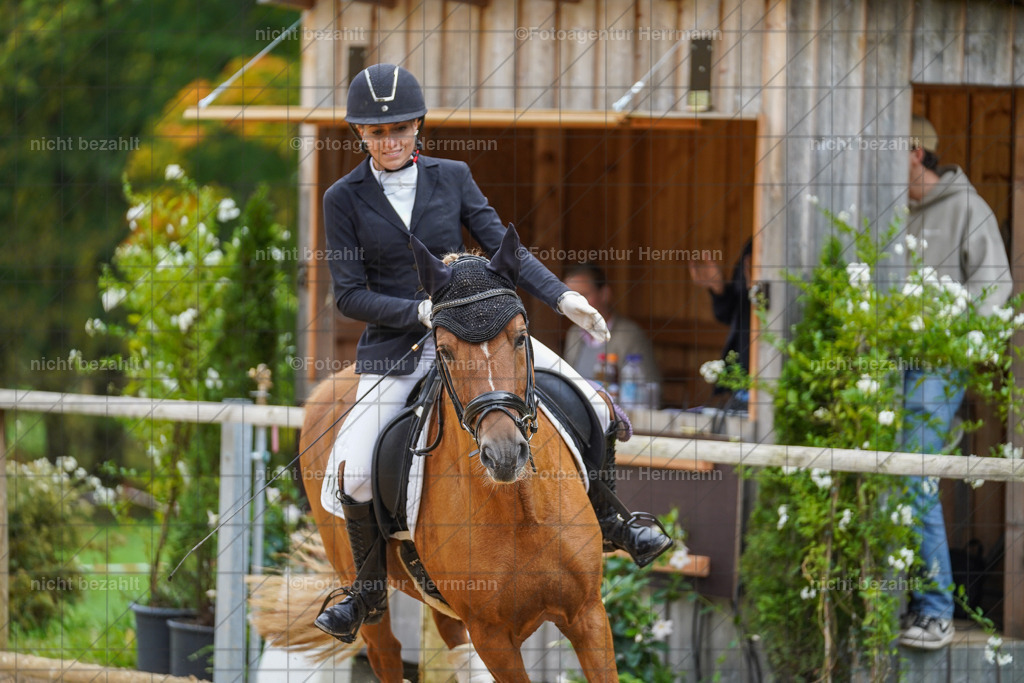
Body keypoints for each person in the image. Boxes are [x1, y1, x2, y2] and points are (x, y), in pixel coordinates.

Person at [313, 63, 672, 642]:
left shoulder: (452, 176)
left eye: (400, 128)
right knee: (353, 467)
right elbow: (350, 295)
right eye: (377, 133)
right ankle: (367, 590)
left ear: (418, 126)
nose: (390, 141)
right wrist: (418, 313)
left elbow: (506, 247)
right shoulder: (343, 197)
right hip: (399, 350)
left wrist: (561, 299)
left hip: (476, 334)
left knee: (595, 405)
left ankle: (614, 519)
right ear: (361, 135)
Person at [898, 115, 1012, 650]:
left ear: (917, 152)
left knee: (913, 473)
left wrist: (956, 348)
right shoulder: (895, 211)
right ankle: (895, 604)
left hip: (935, 367)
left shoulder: (968, 208)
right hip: (885, 361)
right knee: (883, 478)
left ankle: (937, 610)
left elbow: (997, 291)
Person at [562, 263, 662, 394]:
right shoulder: (574, 333)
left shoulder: (628, 334)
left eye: (583, 295)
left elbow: (648, 389)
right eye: (569, 298)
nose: (575, 305)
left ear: (604, 294)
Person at [689, 239, 753, 403]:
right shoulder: (753, 244)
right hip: (739, 370)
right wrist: (719, 289)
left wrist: (757, 290)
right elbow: (733, 313)